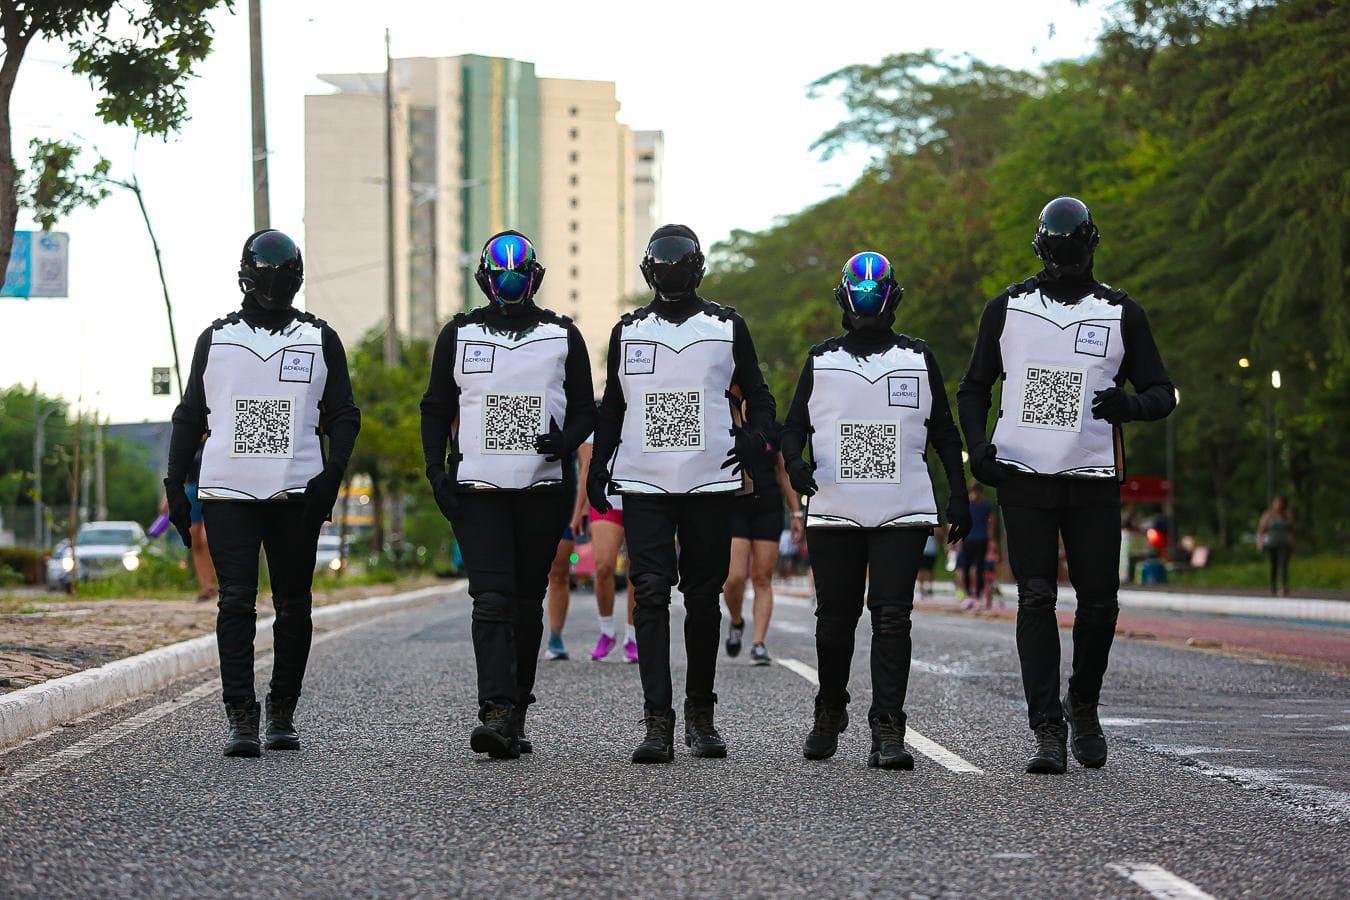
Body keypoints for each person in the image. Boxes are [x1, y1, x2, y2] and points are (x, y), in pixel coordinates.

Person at [957, 197, 1176, 774]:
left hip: (1092, 476)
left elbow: (1163, 392)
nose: (1065, 262)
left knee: (1099, 601)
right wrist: (979, 448)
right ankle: (1047, 728)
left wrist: (1129, 404)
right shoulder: (1007, 308)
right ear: (1041, 250)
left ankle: (1084, 703)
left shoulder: (1121, 312)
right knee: (1035, 596)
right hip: (1023, 475)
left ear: (1091, 247)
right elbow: (974, 387)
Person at [164, 229, 360, 757]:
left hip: (297, 492)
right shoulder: (216, 339)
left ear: (297, 280)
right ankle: (241, 716)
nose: (274, 286)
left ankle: (282, 710)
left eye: (284, 277)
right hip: (227, 491)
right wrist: (174, 484)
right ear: (245, 279)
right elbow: (190, 414)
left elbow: (344, 414)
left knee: (294, 605)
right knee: (235, 602)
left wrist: (331, 475)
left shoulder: (320, 339)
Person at [588, 224, 776, 764]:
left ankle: (700, 713)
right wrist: (598, 466)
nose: (671, 274)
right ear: (648, 272)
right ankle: (657, 720)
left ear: (698, 270)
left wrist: (756, 436)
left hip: (709, 482)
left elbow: (760, 396)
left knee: (702, 597)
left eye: (680, 265)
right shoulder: (627, 332)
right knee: (649, 592)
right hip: (644, 483)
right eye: (663, 266)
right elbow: (613, 407)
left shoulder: (727, 326)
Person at [781, 250, 970, 770]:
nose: (867, 305)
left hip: (901, 509)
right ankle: (830, 706)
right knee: (834, 620)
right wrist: (795, 464)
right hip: (834, 508)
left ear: (892, 300)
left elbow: (944, 432)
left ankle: (888, 726)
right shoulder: (821, 360)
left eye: (875, 296)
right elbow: (793, 427)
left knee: (891, 619)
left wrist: (958, 494)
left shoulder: (918, 357)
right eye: (859, 296)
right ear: (844, 300)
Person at [420, 231, 596, 759]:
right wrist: (435, 472)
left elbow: (586, 409)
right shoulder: (458, 334)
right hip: (478, 491)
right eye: (503, 276)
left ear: (535, 278)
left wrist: (565, 441)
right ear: (485, 280)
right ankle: (495, 711)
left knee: (524, 601)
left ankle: (517, 706)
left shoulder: (563, 335)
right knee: (491, 599)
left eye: (520, 275)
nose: (512, 284)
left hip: (544, 489)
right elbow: (435, 406)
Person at [723, 414, 801, 666]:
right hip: (734, 509)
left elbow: (784, 474)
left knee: (762, 577)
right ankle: (736, 621)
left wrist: (796, 512)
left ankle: (758, 643)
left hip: (768, 510)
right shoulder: (726, 422)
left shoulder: (773, 429)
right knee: (733, 578)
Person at [576, 439, 638, 663]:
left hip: (639, 497)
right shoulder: (597, 423)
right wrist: (579, 510)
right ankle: (607, 631)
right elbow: (586, 467)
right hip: (605, 500)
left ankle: (633, 636)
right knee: (603, 566)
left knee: (637, 570)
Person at [543, 450, 584, 661]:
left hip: (563, 497)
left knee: (559, 572)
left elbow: (584, 466)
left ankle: (555, 637)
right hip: (524, 493)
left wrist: (580, 511)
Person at [957, 482, 995, 610]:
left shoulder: (979, 505)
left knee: (973, 567)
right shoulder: (982, 505)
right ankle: (974, 595)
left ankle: (973, 595)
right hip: (976, 539)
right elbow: (991, 523)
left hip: (974, 539)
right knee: (974, 567)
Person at [1257, 496, 1293, 597]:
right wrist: (1260, 542)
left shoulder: (1287, 515)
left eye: (1280, 503)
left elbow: (1292, 530)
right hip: (1272, 543)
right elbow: (1261, 530)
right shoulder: (1268, 515)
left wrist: (1292, 542)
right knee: (1273, 565)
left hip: (1284, 544)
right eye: (1276, 503)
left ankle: (1284, 586)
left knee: (1284, 565)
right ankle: (1273, 586)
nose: (1278, 505)